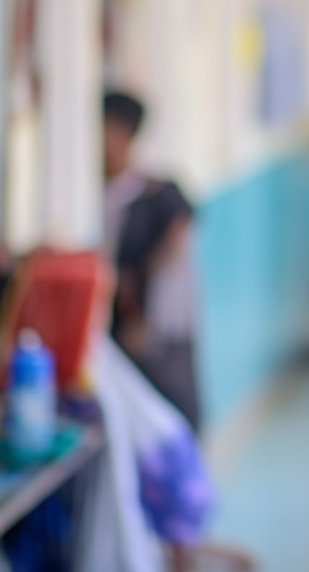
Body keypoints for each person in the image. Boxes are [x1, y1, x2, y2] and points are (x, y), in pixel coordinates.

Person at [102, 90, 202, 432]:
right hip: (116, 336)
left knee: (169, 420)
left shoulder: (160, 196)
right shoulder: (92, 198)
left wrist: (145, 320)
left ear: (123, 134)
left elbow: (173, 257)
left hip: (155, 336)